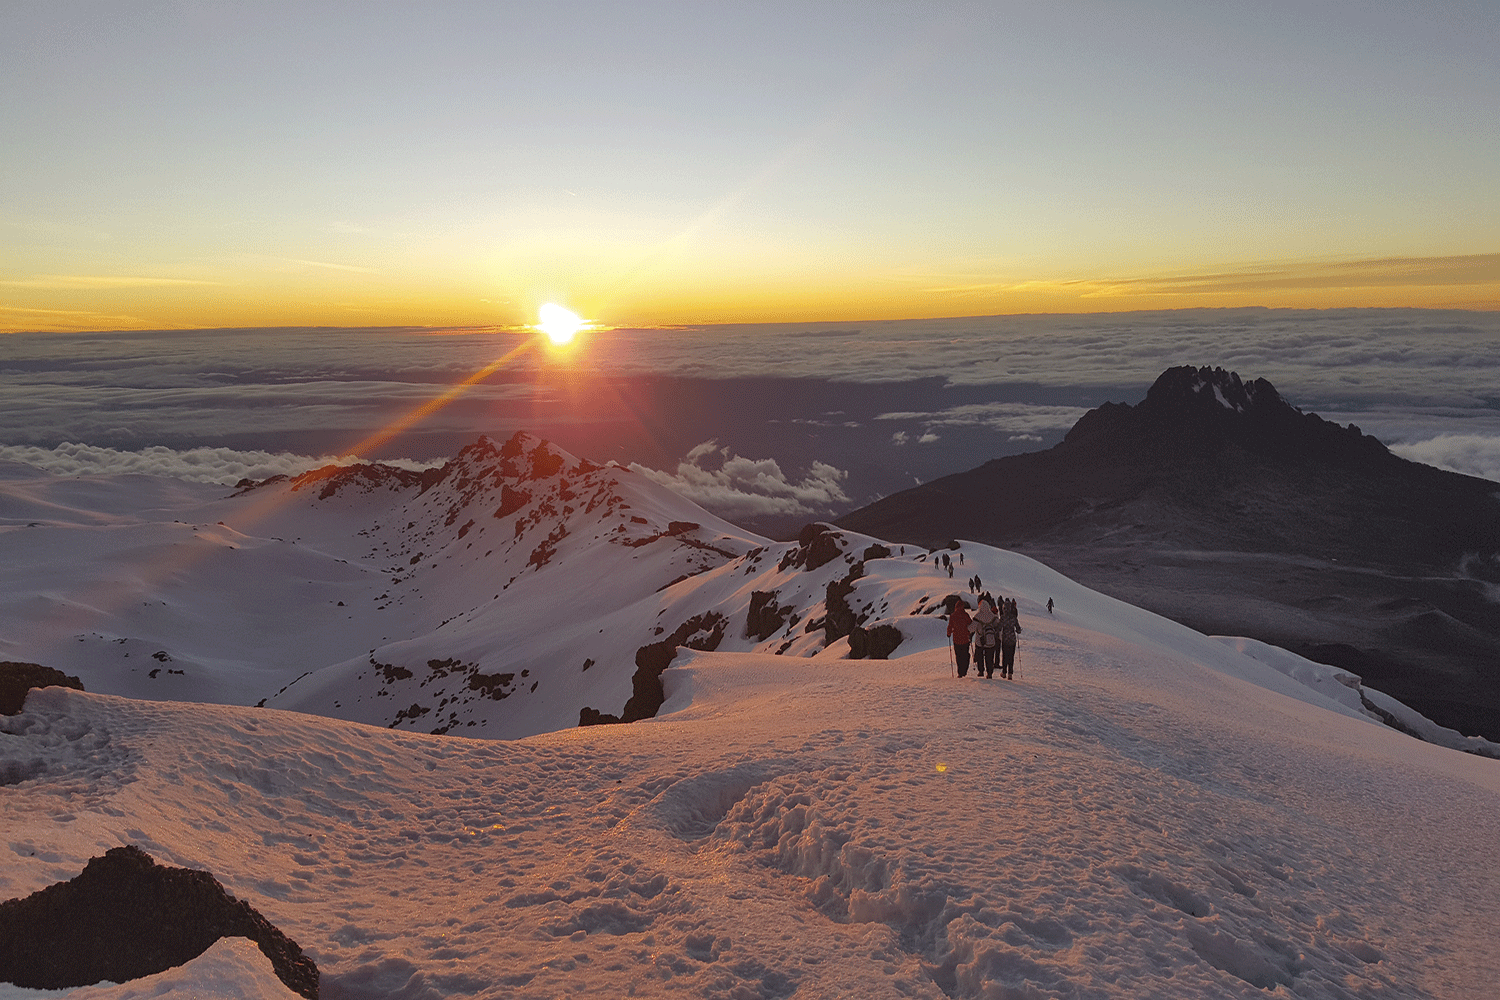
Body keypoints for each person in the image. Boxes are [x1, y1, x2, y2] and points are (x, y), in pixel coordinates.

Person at [972, 597, 1000, 678]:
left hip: (979, 641)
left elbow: (971, 628)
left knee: (980, 656)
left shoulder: (978, 616)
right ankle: (989, 673)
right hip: (990, 640)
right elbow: (998, 625)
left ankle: (981, 671)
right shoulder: (992, 615)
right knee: (989, 657)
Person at [946, 598, 973, 678]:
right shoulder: (965, 615)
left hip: (956, 640)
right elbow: (971, 625)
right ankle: (964, 670)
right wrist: (969, 632)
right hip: (965, 639)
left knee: (959, 656)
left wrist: (948, 634)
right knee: (965, 655)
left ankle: (960, 673)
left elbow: (950, 627)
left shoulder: (953, 616)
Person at [1000, 598, 1022, 679]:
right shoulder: (1013, 617)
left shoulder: (1002, 618)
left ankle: (1004, 672)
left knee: (1005, 656)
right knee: (1011, 656)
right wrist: (1018, 630)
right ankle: (1010, 673)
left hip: (1005, 639)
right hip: (1012, 639)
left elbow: (999, 627)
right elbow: (1018, 629)